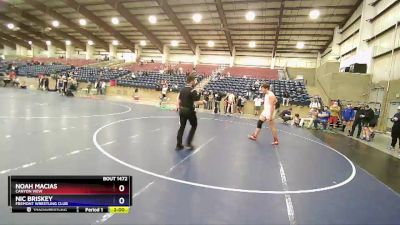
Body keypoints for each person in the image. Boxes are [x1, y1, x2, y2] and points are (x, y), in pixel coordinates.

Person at [176, 75, 206, 150]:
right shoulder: (192, 90)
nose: (195, 82)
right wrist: (203, 102)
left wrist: (178, 108)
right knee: (194, 125)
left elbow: (179, 100)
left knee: (181, 127)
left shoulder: (182, 89)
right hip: (189, 111)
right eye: (194, 80)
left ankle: (178, 144)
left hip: (182, 110)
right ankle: (188, 143)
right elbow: (196, 102)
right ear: (191, 81)